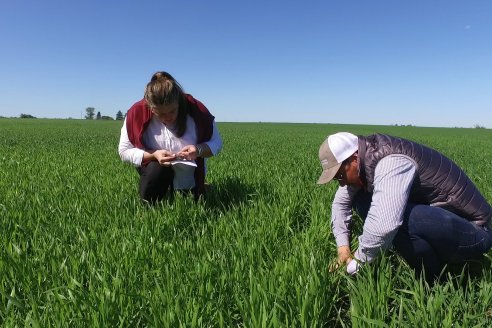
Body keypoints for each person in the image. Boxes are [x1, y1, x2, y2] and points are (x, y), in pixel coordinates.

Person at [318, 132, 492, 282]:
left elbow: (383, 226)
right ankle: (424, 260)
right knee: (361, 199)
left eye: (340, 174)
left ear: (354, 158)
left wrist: (357, 262)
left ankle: (434, 282)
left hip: (476, 231)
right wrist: (343, 250)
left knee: (396, 220)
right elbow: (340, 204)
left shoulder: (390, 163)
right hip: (442, 220)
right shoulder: (365, 161)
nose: (341, 182)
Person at [118, 71, 222, 203]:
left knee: (192, 200)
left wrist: (198, 150)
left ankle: (194, 187)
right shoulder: (136, 113)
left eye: (172, 111)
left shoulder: (197, 111)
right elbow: (124, 151)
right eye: (160, 113)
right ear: (150, 107)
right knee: (156, 172)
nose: (168, 117)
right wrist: (154, 154)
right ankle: (152, 200)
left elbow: (217, 143)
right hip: (157, 172)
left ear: (179, 102)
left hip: (190, 174)